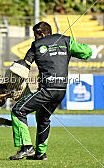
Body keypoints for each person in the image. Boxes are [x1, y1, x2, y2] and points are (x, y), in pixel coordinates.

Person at [9, 21, 92, 160]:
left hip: (47, 90)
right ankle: (40, 153)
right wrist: (73, 44)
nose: (34, 39)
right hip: (61, 90)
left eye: (35, 36)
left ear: (41, 34)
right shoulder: (66, 41)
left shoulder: (36, 45)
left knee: (18, 110)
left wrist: (14, 75)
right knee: (42, 117)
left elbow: (25, 64)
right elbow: (87, 52)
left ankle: (26, 147)